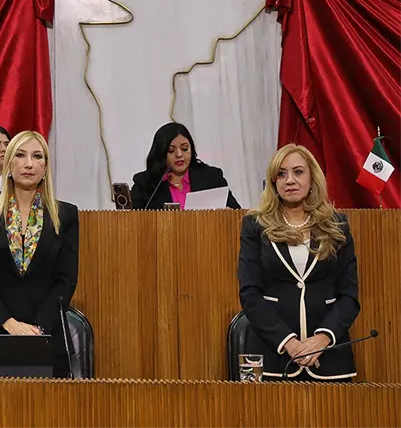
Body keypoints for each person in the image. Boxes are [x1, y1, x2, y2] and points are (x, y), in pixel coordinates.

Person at [238, 144, 359, 381]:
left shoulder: (338, 225)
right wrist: (290, 344)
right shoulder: (254, 225)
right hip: (273, 358)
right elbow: (250, 293)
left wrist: (323, 338)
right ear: (273, 183)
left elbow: (349, 294)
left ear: (312, 178)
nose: (289, 180)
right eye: (281, 174)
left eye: (298, 172)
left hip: (329, 359)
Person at [0, 130, 79, 378]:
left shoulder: (66, 215)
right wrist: (10, 324)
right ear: (9, 164)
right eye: (20, 155)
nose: (29, 164)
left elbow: (66, 280)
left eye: (37, 156)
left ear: (46, 167)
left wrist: (37, 328)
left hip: (48, 337)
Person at [130, 122, 241, 210]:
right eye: (171, 150)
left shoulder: (212, 178)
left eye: (184, 149)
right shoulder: (144, 185)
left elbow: (238, 215)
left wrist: (227, 213)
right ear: (161, 154)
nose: (179, 154)